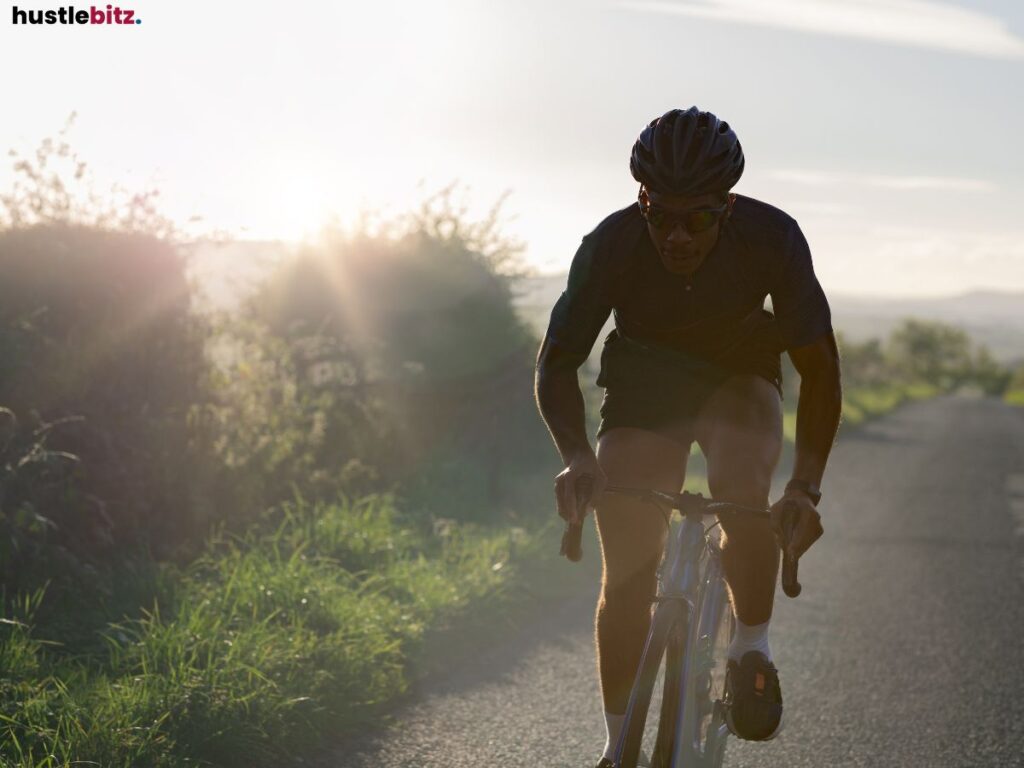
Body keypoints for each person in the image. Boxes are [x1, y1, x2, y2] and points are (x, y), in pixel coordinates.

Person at [534, 107, 842, 767]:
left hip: (738, 371)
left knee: (741, 488)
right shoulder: (611, 243)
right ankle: (618, 747)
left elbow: (819, 368)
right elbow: (557, 362)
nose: (676, 236)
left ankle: (750, 645)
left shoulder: (772, 237)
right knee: (626, 571)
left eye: (696, 218)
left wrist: (806, 488)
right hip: (646, 381)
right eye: (661, 216)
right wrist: (577, 457)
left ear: (726, 207)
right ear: (641, 200)